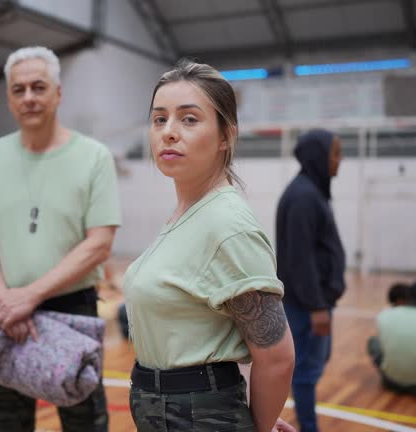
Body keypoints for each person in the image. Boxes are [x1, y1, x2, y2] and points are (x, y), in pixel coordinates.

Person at [123, 59, 295, 432]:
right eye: (159, 119)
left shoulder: (227, 224)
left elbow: (277, 357)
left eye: (189, 119)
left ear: (225, 136)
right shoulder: (190, 213)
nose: (169, 132)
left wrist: (256, 425)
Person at [0, 46, 120, 432]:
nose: (29, 97)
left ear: (58, 93)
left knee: (84, 420)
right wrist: (5, 299)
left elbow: (99, 242)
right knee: (7, 421)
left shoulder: (94, 156)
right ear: (9, 97)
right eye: (19, 90)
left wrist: (29, 296)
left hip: (72, 309)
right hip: (5, 309)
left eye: (38, 87)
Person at [275, 129, 345, 432]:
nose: (339, 160)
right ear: (319, 155)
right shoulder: (303, 196)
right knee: (305, 371)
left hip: (314, 302)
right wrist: (317, 306)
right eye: (335, 153)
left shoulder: (312, 192)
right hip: (306, 304)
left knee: (314, 364)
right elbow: (299, 260)